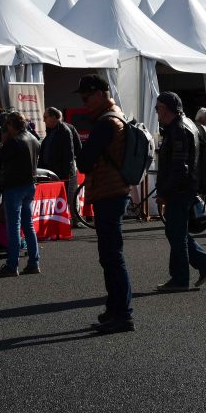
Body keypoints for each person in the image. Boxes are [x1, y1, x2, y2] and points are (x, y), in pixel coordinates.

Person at [75, 74, 135, 334]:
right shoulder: (117, 116)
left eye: (86, 97)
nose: (84, 102)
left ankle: (122, 314)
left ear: (100, 94)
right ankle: (115, 309)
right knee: (111, 255)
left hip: (108, 193)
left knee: (111, 256)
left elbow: (84, 162)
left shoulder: (105, 123)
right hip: (116, 190)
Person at [154, 91, 206, 292]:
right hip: (186, 187)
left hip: (180, 189)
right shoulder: (187, 124)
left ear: (166, 109)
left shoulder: (178, 129)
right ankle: (203, 265)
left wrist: (164, 191)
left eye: (158, 109)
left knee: (175, 232)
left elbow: (180, 167)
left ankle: (183, 277)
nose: (157, 113)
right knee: (176, 232)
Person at [0, 112, 41, 277]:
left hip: (14, 186)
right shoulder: (34, 139)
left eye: (8, 126)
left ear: (12, 125)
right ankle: (33, 262)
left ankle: (12, 266)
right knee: (29, 225)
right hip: (30, 185)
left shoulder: (14, 141)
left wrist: (3, 143)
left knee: (14, 227)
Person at [40, 106, 82, 220]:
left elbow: (71, 152)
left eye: (45, 117)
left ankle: (74, 220)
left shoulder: (65, 130)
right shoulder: (52, 130)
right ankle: (71, 219)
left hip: (64, 172)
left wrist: (66, 173)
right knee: (67, 196)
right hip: (56, 171)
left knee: (70, 195)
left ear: (54, 117)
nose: (43, 120)